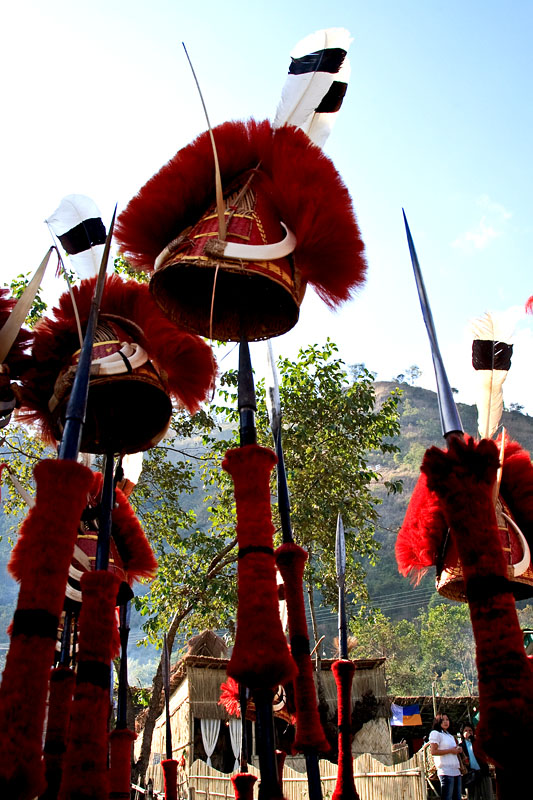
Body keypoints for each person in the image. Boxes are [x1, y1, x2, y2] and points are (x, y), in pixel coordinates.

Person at [428, 713, 462, 800]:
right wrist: (451, 750)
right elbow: (433, 751)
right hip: (445, 770)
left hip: (456, 770)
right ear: (438, 722)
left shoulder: (449, 735)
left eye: (447, 720)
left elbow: (452, 750)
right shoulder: (435, 733)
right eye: (443, 720)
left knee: (457, 797)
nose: (446, 722)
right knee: (447, 797)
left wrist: (457, 750)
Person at [461, 724, 493, 800]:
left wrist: (472, 739)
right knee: (473, 796)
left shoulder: (478, 742)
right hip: (471, 775)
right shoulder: (461, 746)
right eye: (466, 730)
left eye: (470, 730)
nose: (468, 732)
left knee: (487, 795)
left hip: (483, 772)